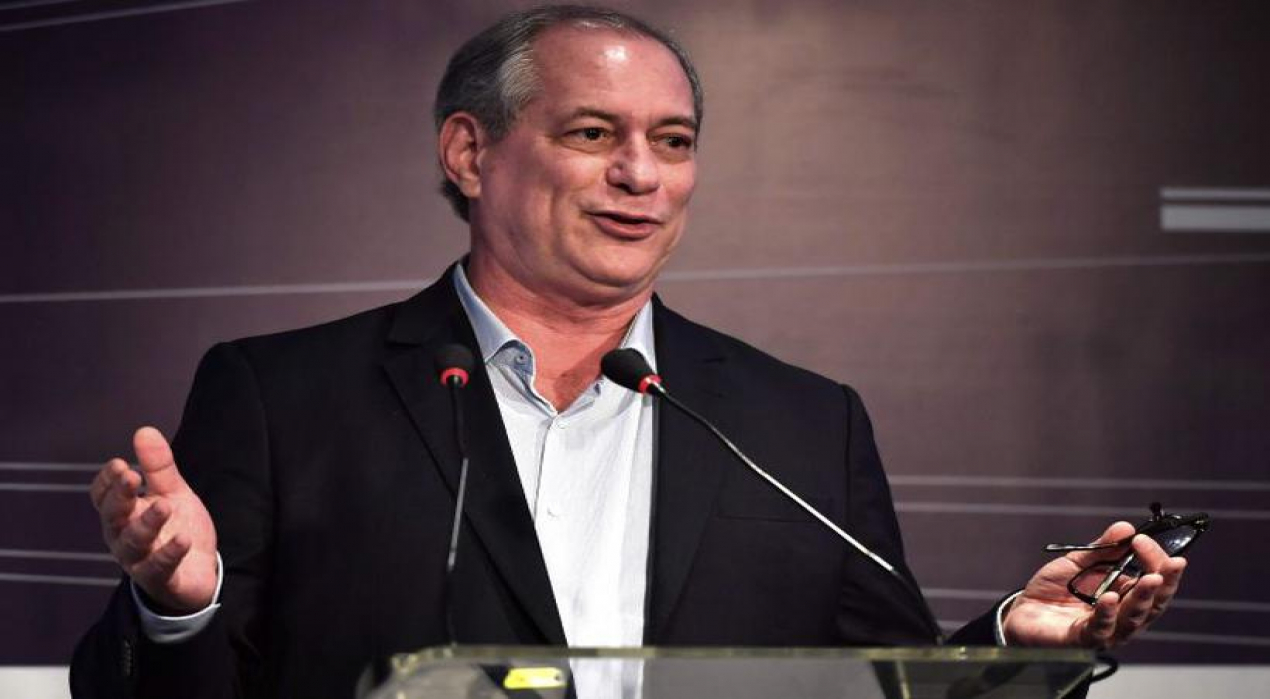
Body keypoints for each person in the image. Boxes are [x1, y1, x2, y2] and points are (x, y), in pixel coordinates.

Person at [72, 6, 1187, 698]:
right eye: (593, 133)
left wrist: (1021, 642)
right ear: (470, 153)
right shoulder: (282, 395)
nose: (642, 176)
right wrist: (178, 608)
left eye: (673, 141)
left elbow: (881, 691)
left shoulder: (802, 423)